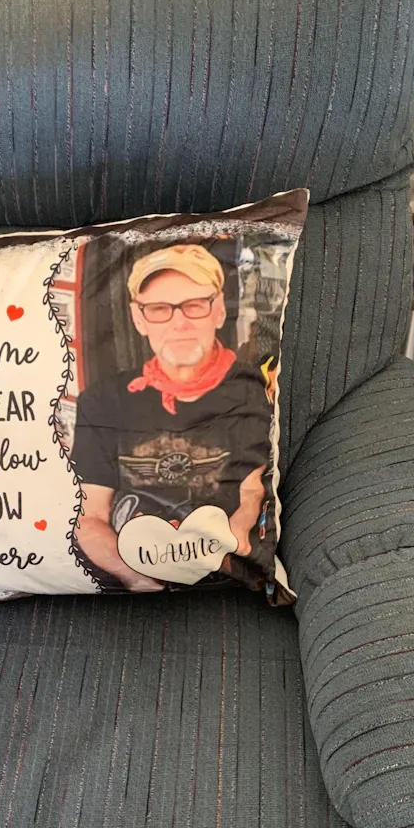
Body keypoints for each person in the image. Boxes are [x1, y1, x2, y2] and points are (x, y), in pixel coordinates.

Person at [71, 243, 272, 591]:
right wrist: (136, 577)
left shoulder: (254, 391)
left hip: (222, 569)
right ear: (139, 318)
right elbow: (90, 517)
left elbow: (252, 495)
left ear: (218, 311)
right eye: (159, 309)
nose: (179, 323)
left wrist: (229, 551)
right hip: (132, 573)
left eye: (194, 305)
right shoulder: (102, 401)